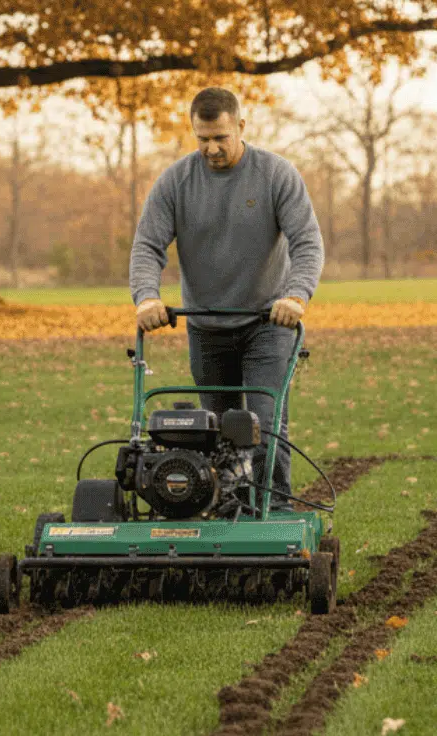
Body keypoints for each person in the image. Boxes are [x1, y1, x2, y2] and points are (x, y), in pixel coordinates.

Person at [130, 86, 324, 509]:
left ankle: (274, 517)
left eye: (221, 137)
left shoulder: (275, 175)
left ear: (241, 126)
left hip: (268, 324)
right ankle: (226, 513)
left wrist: (296, 296)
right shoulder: (176, 182)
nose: (212, 148)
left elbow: (307, 243)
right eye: (203, 139)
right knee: (212, 432)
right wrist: (147, 298)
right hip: (205, 324)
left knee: (262, 426)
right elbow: (148, 245)